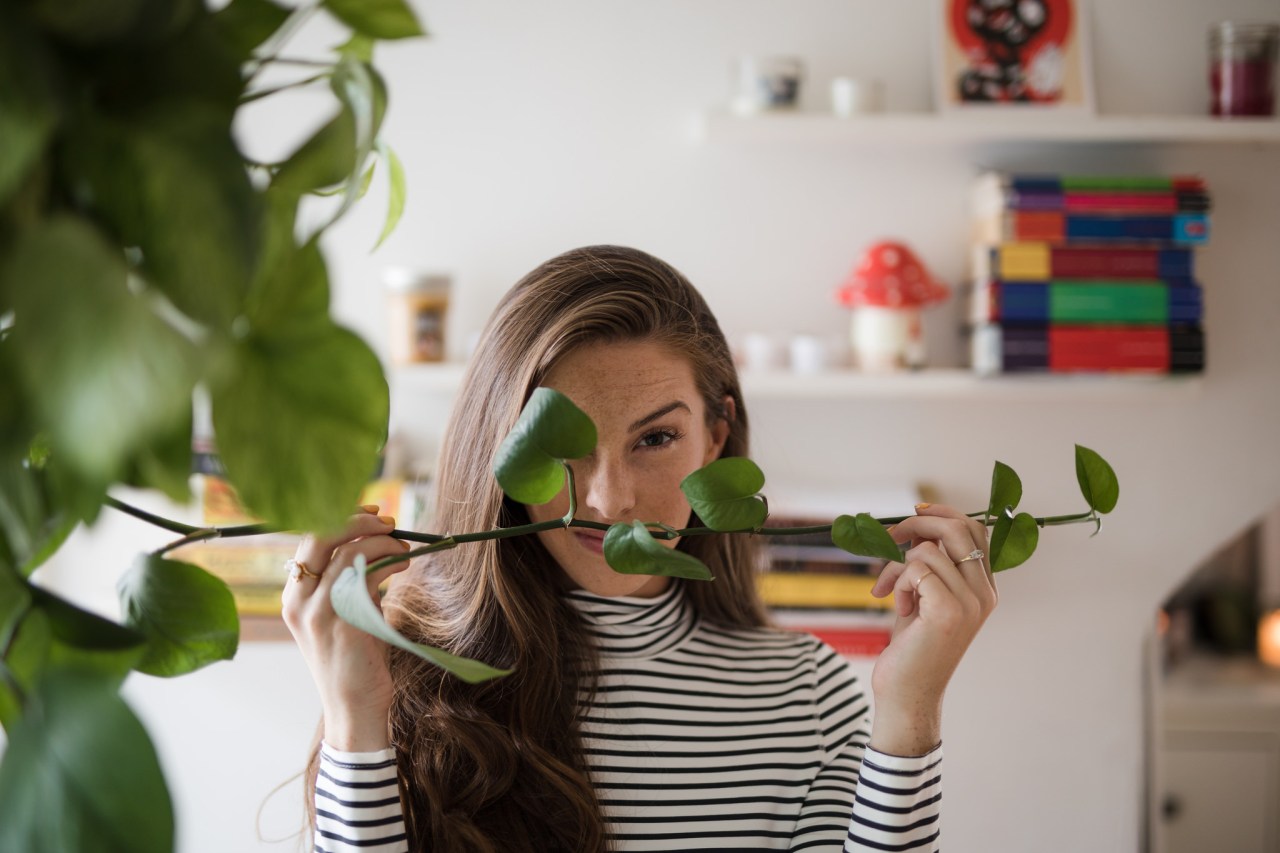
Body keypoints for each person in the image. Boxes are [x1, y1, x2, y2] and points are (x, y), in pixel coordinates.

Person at [283, 245, 998, 852]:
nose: (610, 499)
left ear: (716, 436)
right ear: (501, 453)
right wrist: (354, 715)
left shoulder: (806, 697)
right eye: (564, 449)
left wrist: (911, 716)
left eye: (655, 439)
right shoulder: (406, 676)